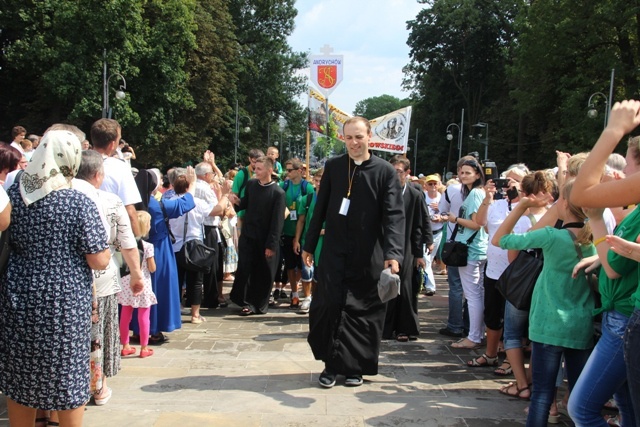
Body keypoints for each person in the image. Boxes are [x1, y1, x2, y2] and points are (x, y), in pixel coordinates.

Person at [0, 129, 112, 426]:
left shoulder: (14, 195)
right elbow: (98, 258)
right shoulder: (78, 202)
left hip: (18, 296)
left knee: (21, 377)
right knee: (68, 375)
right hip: (64, 303)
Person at [301, 116, 405, 388]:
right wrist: (309, 244)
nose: (354, 143)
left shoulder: (385, 171)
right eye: (349, 137)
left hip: (368, 253)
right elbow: (320, 208)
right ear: (343, 139)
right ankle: (330, 366)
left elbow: (394, 216)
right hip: (335, 251)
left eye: (359, 137)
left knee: (363, 311)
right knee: (329, 306)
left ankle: (355, 368)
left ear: (369, 136)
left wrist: (393, 253)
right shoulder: (334, 167)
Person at [494, 180, 595, 427]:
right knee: (578, 397)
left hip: (548, 324)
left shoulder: (552, 236)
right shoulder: (594, 239)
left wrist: (520, 208)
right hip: (580, 323)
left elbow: (500, 240)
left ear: (564, 204)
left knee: (542, 395)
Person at [571, 99, 640, 427]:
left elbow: (580, 194)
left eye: (628, 164)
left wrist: (614, 129)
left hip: (625, 317)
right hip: (624, 315)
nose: (624, 171)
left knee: (582, 409)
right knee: (627, 408)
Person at [134, 168, 196, 342]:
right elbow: (184, 204)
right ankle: (153, 329)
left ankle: (139, 328)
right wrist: (193, 183)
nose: (161, 183)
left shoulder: (135, 202)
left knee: (140, 290)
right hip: (159, 249)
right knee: (158, 288)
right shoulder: (155, 204)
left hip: (137, 250)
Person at [229, 156, 286, 315]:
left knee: (262, 273)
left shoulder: (278, 193)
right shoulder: (252, 184)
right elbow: (246, 203)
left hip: (265, 239)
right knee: (245, 268)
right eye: (255, 168)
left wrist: (271, 245)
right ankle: (244, 301)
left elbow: (277, 222)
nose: (256, 171)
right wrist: (236, 201)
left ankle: (256, 304)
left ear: (269, 170)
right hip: (248, 235)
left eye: (259, 169)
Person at [383, 155, 429, 342]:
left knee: (407, 288)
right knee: (386, 286)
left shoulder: (415, 195)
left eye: (399, 172)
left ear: (408, 173)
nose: (395, 175)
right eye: (392, 171)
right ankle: (385, 328)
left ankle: (405, 328)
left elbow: (420, 224)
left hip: (407, 247)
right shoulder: (383, 192)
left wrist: (419, 253)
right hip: (386, 245)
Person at [446, 158, 488, 349]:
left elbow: (476, 223)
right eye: (461, 172)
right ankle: (476, 334)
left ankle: (474, 336)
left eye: (468, 173)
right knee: (476, 293)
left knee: (472, 295)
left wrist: (454, 219)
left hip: (470, 249)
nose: (463, 176)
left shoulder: (475, 195)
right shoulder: (477, 193)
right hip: (476, 248)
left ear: (478, 174)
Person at [169, 168, 215, 324]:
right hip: (195, 245)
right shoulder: (198, 203)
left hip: (176, 246)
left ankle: (174, 312)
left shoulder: (171, 202)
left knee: (176, 281)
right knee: (195, 281)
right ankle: (195, 315)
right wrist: (223, 195)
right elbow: (216, 210)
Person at [90, 118, 142, 236]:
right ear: (113, 144)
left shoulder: (78, 162)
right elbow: (130, 212)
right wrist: (138, 241)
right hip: (109, 238)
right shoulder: (119, 167)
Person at [119, 211, 158, 359]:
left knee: (125, 314)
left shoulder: (125, 244)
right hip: (144, 283)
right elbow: (152, 268)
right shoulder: (147, 246)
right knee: (144, 315)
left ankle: (125, 345)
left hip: (126, 282)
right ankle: (144, 347)